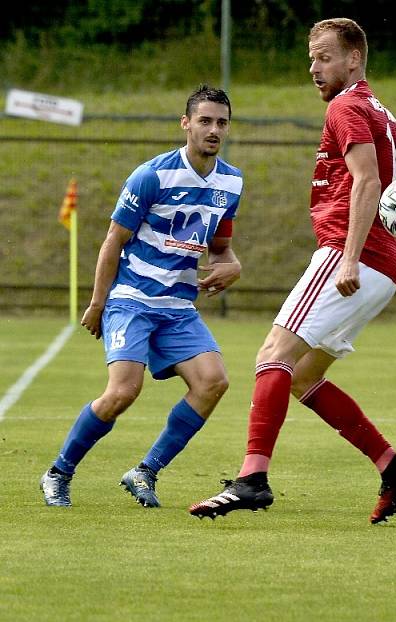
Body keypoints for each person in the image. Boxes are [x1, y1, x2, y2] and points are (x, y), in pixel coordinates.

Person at [188, 18, 396, 524]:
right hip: (382, 267)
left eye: (323, 57)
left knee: (273, 355)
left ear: (354, 60)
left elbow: (366, 185)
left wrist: (347, 255)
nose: (313, 68)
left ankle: (253, 479)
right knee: (301, 376)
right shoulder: (387, 117)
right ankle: (393, 466)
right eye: (311, 58)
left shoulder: (348, 106)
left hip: (351, 255)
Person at [40, 85, 243, 508]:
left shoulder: (231, 181)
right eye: (204, 120)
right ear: (185, 123)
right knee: (122, 393)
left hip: (178, 309)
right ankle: (59, 472)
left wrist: (232, 264)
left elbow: (221, 247)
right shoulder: (150, 175)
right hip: (132, 299)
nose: (213, 129)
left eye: (221, 122)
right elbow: (113, 241)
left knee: (213, 383)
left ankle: (145, 471)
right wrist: (98, 303)